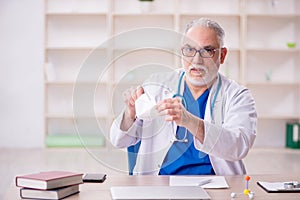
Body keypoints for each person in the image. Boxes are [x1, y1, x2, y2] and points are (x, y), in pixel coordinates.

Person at [110, 18, 257, 175]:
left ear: (222, 55)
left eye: (207, 51)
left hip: (216, 185)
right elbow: (119, 140)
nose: (196, 60)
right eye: (189, 50)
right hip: (161, 185)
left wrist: (189, 121)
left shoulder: (237, 96)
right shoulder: (157, 86)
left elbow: (239, 146)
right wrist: (129, 114)